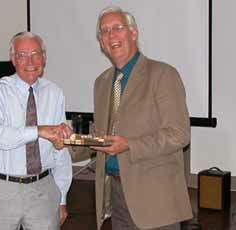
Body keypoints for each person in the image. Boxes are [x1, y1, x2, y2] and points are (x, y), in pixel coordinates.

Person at [76, 6, 193, 230]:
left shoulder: (163, 75)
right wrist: (71, 141)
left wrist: (129, 145)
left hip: (156, 199)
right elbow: (103, 135)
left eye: (117, 28)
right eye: (105, 31)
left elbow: (179, 134)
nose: (111, 36)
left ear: (133, 33)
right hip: (118, 195)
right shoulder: (102, 83)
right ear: (101, 42)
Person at [0, 31, 73, 230]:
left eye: (35, 54)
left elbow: (60, 151)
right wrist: (37, 131)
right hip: (2, 190)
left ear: (44, 58)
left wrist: (62, 197)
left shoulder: (54, 92)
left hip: (44, 189)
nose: (30, 61)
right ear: (13, 59)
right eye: (22, 55)